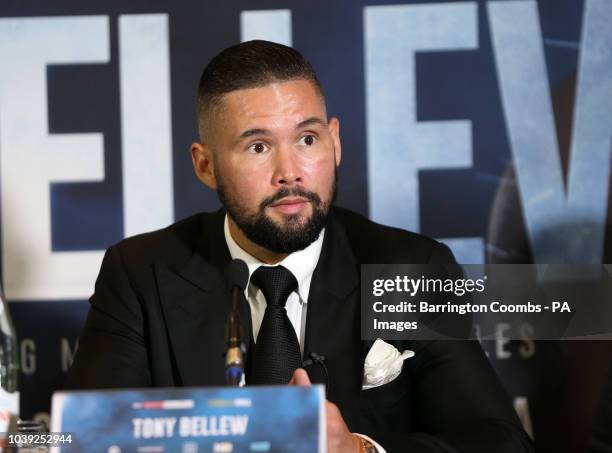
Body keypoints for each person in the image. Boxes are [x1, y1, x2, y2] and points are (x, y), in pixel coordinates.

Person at [65, 40, 533, 453]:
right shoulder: (140, 273)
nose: (290, 171)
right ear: (205, 165)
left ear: (335, 141)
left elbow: (501, 441)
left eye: (307, 139)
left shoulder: (409, 270)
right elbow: (82, 440)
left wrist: (360, 451)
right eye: (258, 147)